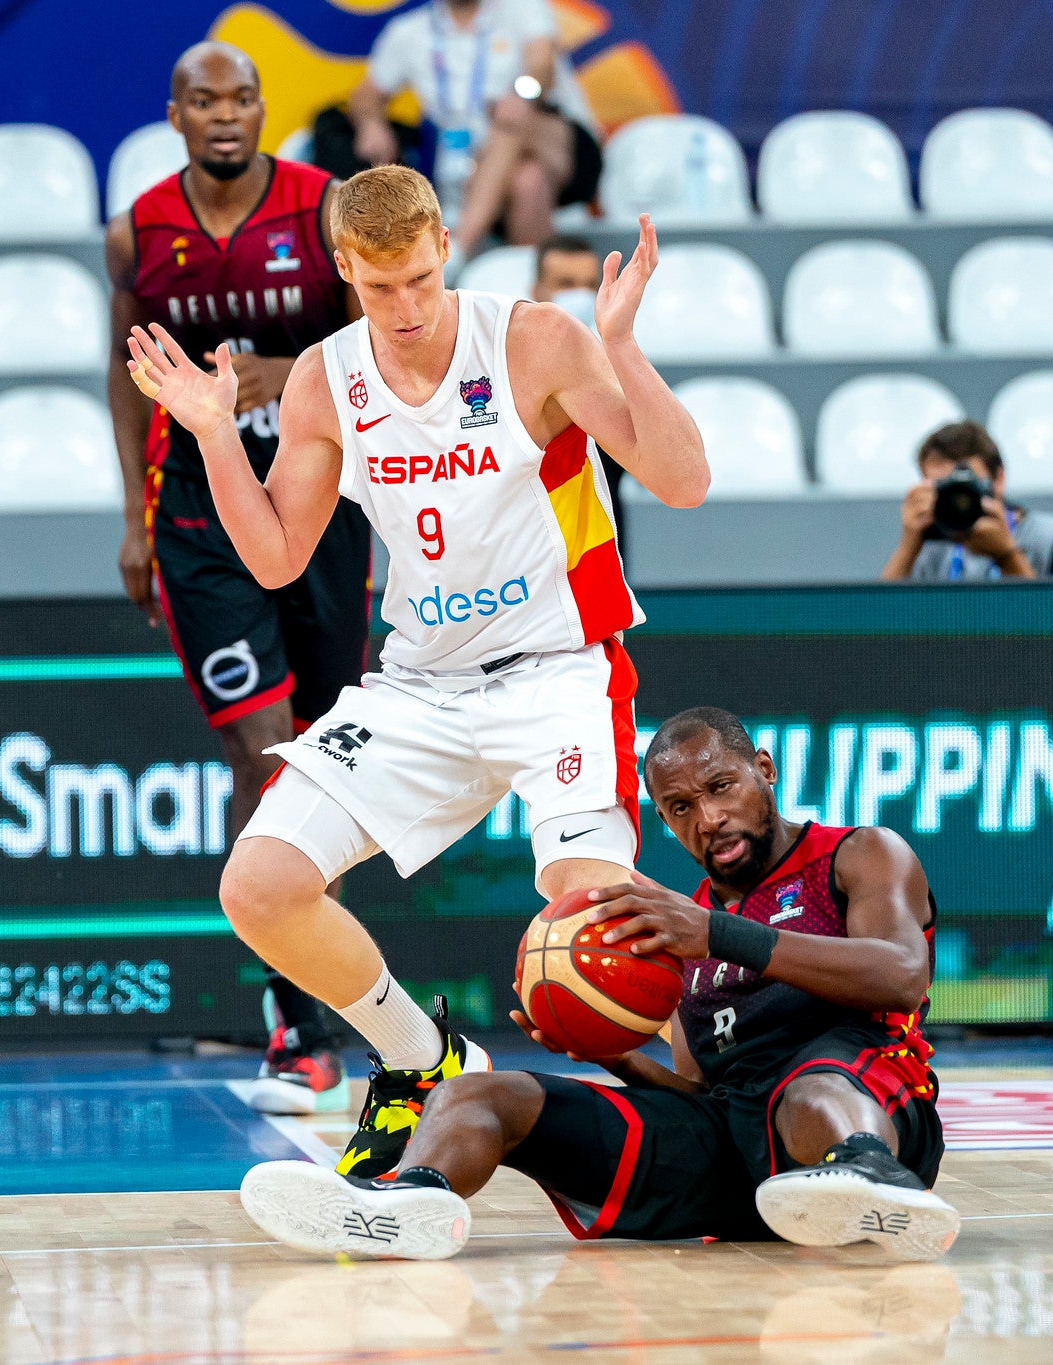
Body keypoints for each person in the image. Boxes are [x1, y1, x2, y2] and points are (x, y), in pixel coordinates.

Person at [125, 166, 707, 1178]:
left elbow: (684, 483)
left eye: (417, 280)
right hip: (419, 686)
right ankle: (419, 1061)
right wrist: (214, 428)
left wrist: (618, 342)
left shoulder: (530, 340)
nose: (401, 308)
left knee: (592, 925)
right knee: (258, 888)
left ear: (442, 245)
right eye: (377, 286)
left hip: (556, 670)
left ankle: (719, 1119)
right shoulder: (324, 377)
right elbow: (273, 559)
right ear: (343, 266)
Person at [238, 706, 958, 1264]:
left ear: (763, 769)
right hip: (742, 1159)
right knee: (477, 1091)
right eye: (678, 807)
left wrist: (720, 935)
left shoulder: (856, 853)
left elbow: (898, 975)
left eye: (720, 787)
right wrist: (616, 1058)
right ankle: (406, 1202)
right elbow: (701, 1098)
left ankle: (869, 1181)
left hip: (868, 1102)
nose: (708, 818)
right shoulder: (684, 931)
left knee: (808, 1091)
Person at [106, 42, 369, 1116]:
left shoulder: (321, 207)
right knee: (261, 750)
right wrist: (132, 509)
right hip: (195, 517)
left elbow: (379, 347)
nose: (226, 115)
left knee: (321, 753)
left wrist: (294, 375)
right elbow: (124, 366)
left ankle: (321, 990)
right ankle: (296, 1025)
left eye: (243, 98)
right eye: (205, 99)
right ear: (175, 113)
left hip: (318, 505)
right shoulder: (140, 225)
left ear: (265, 109)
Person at [347, 0, 602, 253]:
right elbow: (365, 96)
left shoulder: (522, 8)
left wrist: (522, 94)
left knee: (511, 118)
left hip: (561, 144)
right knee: (528, 179)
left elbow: (542, 68)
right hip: (482, 161)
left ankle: (458, 246)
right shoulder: (409, 31)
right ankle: (531, 284)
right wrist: (371, 124)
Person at [881, 420, 1053, 581]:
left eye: (968, 485)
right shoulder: (929, 548)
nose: (957, 498)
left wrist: (1007, 557)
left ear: (999, 478)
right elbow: (874, 627)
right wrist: (908, 546)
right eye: (943, 487)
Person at [531, 235, 625, 530]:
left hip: (601, 534)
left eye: (589, 285)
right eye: (566, 284)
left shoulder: (621, 364)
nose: (580, 295)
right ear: (536, 291)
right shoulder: (501, 365)